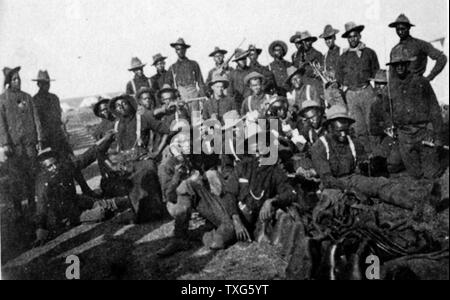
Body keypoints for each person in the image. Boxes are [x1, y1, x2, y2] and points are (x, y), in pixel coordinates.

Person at [311, 105, 439, 212]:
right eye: (339, 131)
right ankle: (418, 204)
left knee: (381, 183)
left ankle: (421, 198)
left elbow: (362, 161)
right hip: (334, 185)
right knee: (338, 201)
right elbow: (327, 179)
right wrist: (351, 190)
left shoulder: (352, 141)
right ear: (329, 128)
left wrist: (367, 164)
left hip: (352, 178)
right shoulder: (320, 146)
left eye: (346, 130)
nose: (343, 134)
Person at [156, 130, 243, 257]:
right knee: (186, 186)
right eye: (182, 143)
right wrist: (177, 176)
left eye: (188, 142)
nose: (187, 146)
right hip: (177, 204)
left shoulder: (195, 158)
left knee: (211, 174)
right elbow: (169, 197)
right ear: (174, 147)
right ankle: (180, 238)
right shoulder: (167, 166)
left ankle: (207, 227)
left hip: (203, 201)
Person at [33, 136, 128, 246]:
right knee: (102, 213)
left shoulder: (64, 167)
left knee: (105, 203)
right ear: (44, 169)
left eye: (55, 163)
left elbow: (86, 157)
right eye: (50, 166)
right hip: (66, 215)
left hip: (75, 199)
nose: (54, 167)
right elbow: (41, 208)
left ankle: (127, 200)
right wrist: (40, 231)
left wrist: (106, 140)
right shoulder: (43, 184)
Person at [108, 94, 173, 223]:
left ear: (131, 105)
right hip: (125, 162)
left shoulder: (143, 118)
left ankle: (156, 213)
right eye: (117, 106)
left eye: (124, 104)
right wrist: (113, 161)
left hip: (143, 159)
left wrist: (156, 152)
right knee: (127, 182)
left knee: (147, 173)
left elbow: (166, 131)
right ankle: (139, 214)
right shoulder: (116, 125)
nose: (121, 107)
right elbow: (109, 147)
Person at [32, 70, 97, 198]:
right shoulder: (35, 100)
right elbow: (37, 123)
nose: (47, 85)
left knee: (73, 163)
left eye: (48, 83)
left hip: (59, 137)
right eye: (44, 83)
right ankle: (67, 196)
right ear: (38, 84)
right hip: (47, 140)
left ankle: (85, 189)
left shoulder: (54, 98)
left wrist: (65, 132)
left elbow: (59, 118)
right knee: (56, 168)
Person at [387, 48, 444, 179]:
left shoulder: (421, 82)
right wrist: (390, 125)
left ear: (408, 64)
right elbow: (386, 109)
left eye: (403, 64)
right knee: (415, 175)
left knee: (431, 174)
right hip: (404, 137)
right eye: (396, 65)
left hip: (424, 133)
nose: (400, 67)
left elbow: (434, 109)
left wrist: (437, 135)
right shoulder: (392, 87)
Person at [0, 66, 43, 215]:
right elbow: (1, 124)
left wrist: (39, 139)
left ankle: (32, 206)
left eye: (19, 78)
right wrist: (5, 143)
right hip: (14, 147)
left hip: (29, 144)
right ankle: (18, 210)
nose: (17, 81)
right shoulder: (2, 99)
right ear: (8, 82)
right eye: (14, 79)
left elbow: (36, 119)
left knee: (31, 176)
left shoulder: (27, 97)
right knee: (15, 180)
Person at [336, 22, 380, 154]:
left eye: (355, 36)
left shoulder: (369, 53)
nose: (353, 39)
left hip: (367, 91)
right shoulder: (343, 57)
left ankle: (378, 155)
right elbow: (339, 77)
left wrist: (376, 93)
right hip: (351, 95)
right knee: (359, 127)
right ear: (347, 39)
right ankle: (367, 156)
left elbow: (376, 73)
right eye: (350, 37)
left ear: (359, 36)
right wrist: (345, 91)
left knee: (372, 125)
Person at [389, 14, 447, 82]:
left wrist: (429, 78)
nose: (400, 32)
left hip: (417, 88)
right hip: (400, 88)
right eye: (397, 29)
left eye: (403, 29)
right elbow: (392, 74)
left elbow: (442, 58)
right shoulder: (394, 50)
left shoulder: (420, 44)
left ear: (408, 28)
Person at [368, 69, 404, 174]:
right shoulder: (375, 105)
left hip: (403, 138)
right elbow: (372, 128)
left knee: (393, 163)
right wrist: (385, 129)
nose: (379, 87)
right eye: (376, 84)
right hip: (387, 138)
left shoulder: (399, 101)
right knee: (376, 162)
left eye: (383, 84)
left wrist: (397, 130)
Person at [168, 38, 206, 112]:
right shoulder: (172, 67)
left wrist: (202, 96)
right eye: (178, 49)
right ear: (175, 51)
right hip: (181, 96)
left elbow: (200, 82)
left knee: (196, 118)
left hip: (193, 95)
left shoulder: (194, 64)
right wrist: (175, 96)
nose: (180, 51)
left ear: (185, 50)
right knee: (183, 118)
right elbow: (168, 85)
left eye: (182, 49)